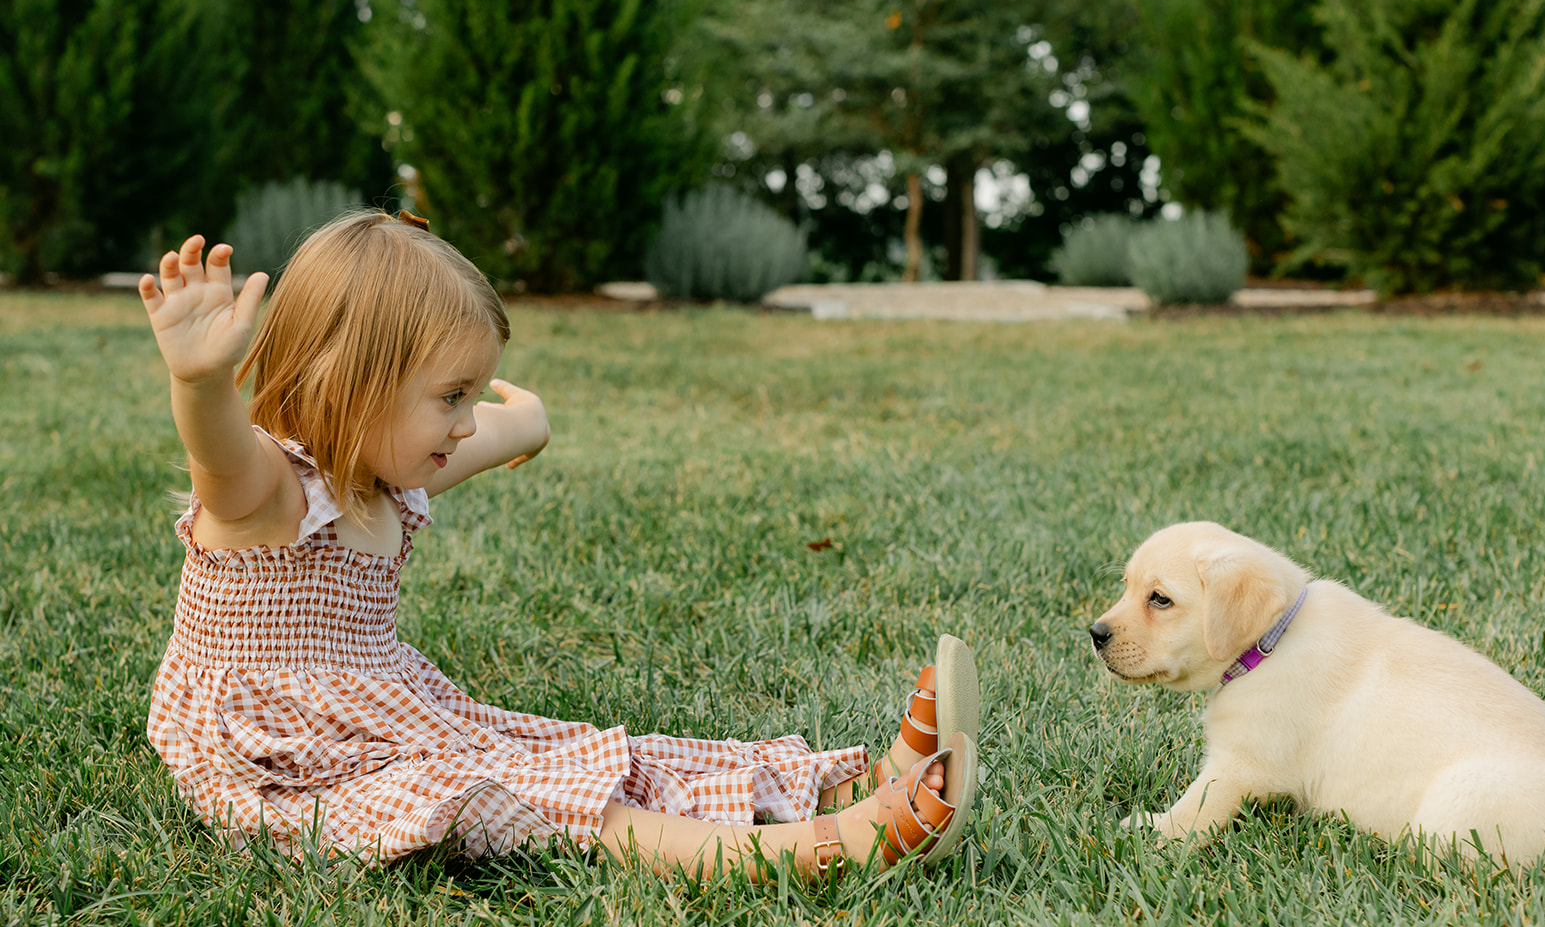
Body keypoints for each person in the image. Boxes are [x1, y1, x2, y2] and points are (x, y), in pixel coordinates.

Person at [139, 210, 979, 876]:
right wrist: (199, 379)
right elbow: (217, 450)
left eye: (473, 393)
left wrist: (528, 419)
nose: (466, 421)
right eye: (450, 395)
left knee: (577, 753)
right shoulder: (265, 495)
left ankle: (838, 785)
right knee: (527, 792)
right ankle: (806, 852)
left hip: (393, 723)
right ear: (352, 383)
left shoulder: (391, 470)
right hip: (290, 772)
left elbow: (504, 431)